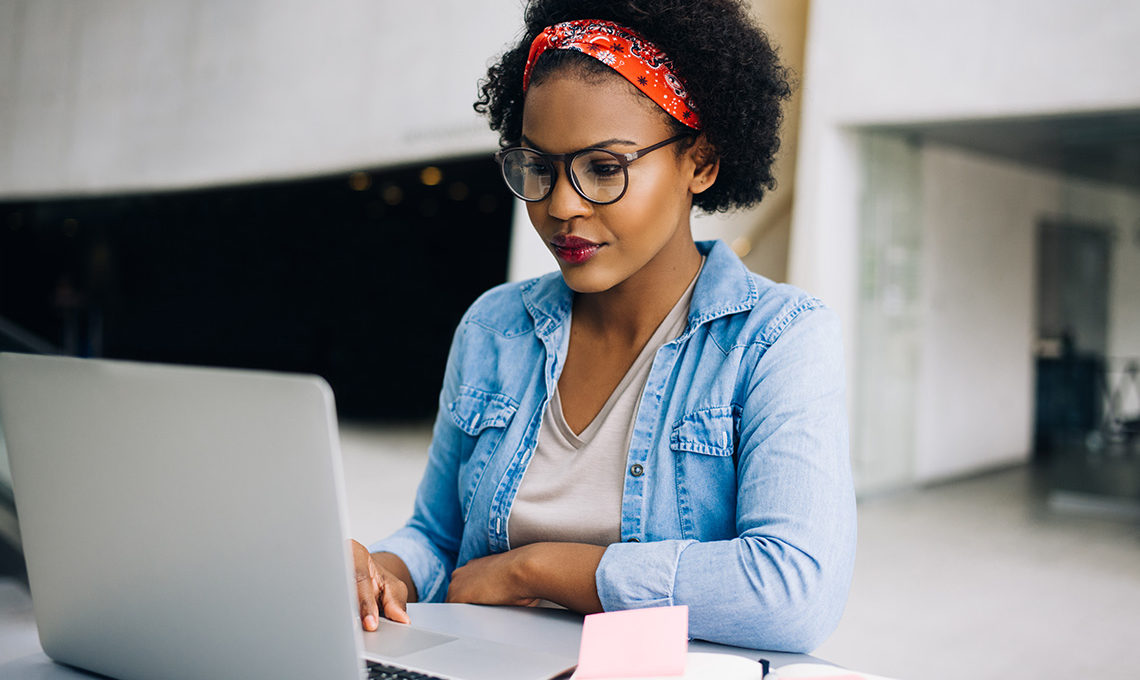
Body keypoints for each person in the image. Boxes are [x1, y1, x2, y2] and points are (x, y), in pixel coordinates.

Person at [349, 0, 855, 653]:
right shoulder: (494, 328)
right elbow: (438, 538)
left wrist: (538, 569)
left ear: (700, 162)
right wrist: (384, 571)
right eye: (539, 168)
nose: (561, 205)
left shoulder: (776, 339)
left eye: (604, 169)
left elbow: (791, 593)